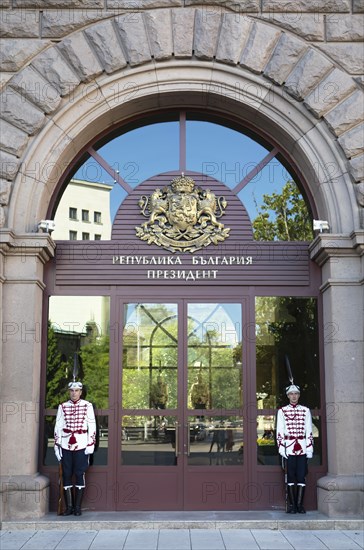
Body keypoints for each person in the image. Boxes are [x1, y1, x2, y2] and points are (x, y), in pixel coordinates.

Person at [54, 381, 96, 516]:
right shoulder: (62, 406)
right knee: (66, 474)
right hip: (66, 444)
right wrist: (57, 445)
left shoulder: (87, 405)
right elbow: (58, 426)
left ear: (81, 392)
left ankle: (77, 507)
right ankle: (69, 507)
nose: (74, 393)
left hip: (82, 444)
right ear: (69, 392)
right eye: (72, 391)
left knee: (79, 474)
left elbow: (92, 425)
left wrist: (90, 444)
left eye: (77, 390)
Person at [276, 384, 314, 514]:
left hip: (302, 447)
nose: (294, 396)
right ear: (288, 396)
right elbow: (280, 431)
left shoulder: (305, 410)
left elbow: (309, 431)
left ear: (299, 395)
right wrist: (282, 449)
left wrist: (309, 449)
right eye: (291, 394)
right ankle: (292, 505)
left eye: (296, 394)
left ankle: (300, 505)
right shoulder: (282, 411)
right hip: (289, 447)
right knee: (290, 476)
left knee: (301, 476)